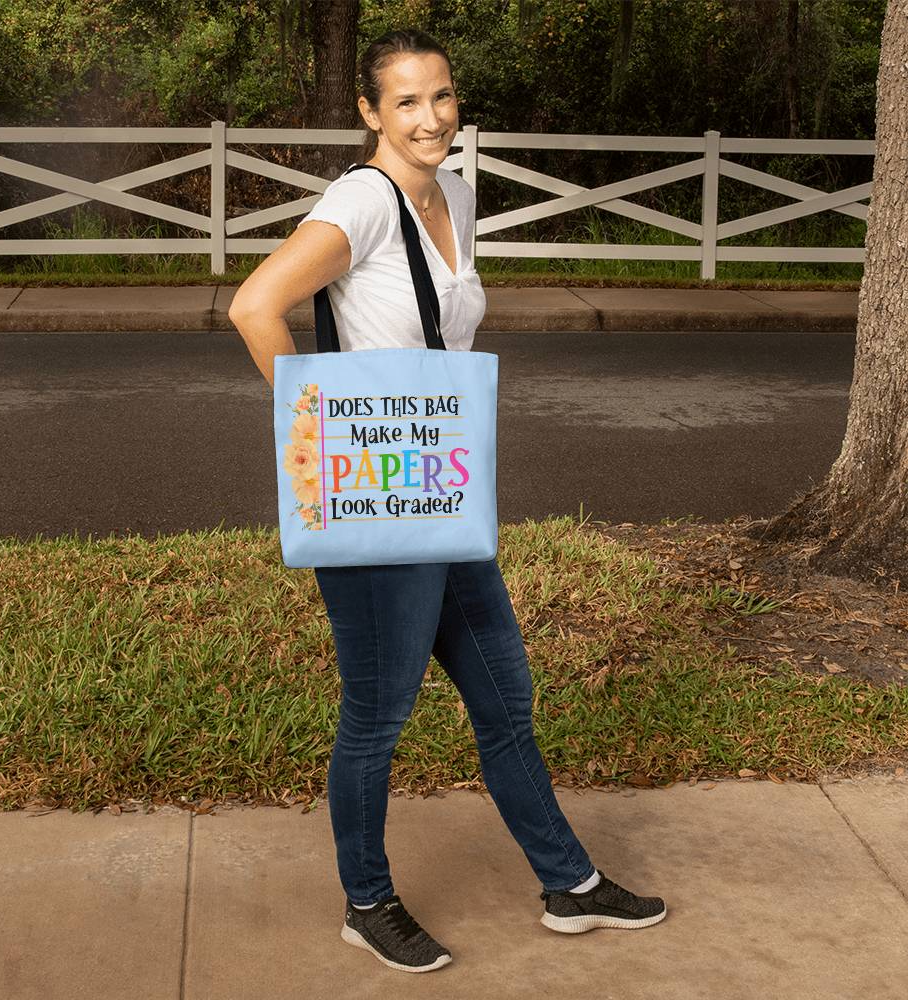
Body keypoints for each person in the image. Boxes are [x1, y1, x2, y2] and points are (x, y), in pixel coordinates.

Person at [228, 27, 667, 975]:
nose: (431, 119)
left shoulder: (457, 196)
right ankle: (366, 901)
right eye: (408, 102)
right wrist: (319, 432)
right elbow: (254, 306)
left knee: (506, 697)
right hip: (376, 501)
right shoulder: (362, 200)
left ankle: (570, 886)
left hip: (443, 492)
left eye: (443, 97)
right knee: (377, 718)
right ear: (370, 113)